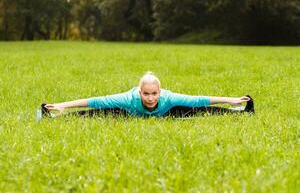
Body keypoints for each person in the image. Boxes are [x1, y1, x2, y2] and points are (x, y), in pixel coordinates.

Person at [39, 72, 254, 119]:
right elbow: (94, 100)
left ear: (159, 92)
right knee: (99, 112)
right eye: (146, 94)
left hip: (168, 113)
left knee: (196, 110)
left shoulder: (168, 98)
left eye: (154, 94)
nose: (150, 98)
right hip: (130, 113)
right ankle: (55, 116)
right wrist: (62, 105)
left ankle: (238, 112)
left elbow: (199, 99)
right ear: (139, 92)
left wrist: (231, 99)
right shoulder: (128, 99)